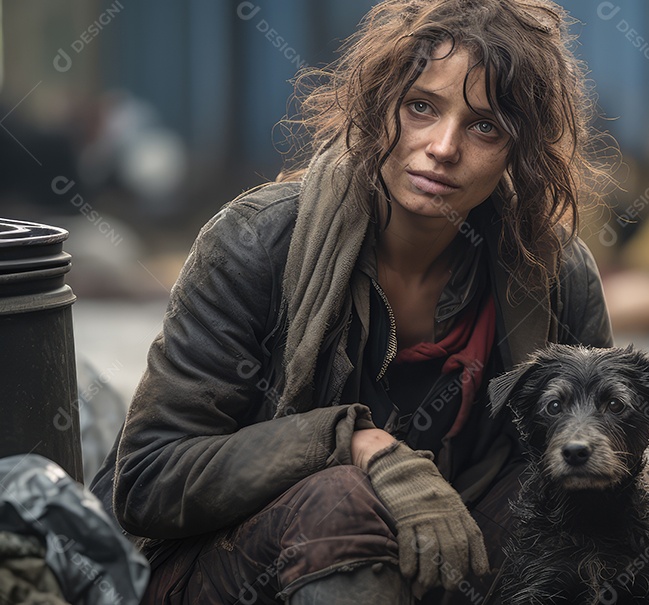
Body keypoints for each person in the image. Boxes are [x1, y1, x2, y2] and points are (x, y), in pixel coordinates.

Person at [89, 1, 612, 603]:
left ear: (518, 153)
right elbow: (150, 480)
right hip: (234, 566)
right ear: (377, 107)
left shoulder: (555, 274)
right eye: (421, 107)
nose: (443, 147)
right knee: (340, 501)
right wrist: (361, 447)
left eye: (485, 126)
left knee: (572, 511)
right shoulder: (255, 243)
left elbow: (599, 460)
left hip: (443, 560)